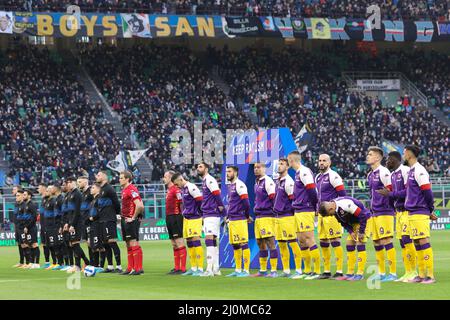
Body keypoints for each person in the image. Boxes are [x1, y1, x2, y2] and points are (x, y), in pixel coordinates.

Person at [375, 151, 417, 282]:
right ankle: (408, 271)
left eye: (388, 159)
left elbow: (408, 191)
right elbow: (394, 194)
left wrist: (390, 194)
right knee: (402, 242)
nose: (386, 162)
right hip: (398, 212)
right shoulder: (393, 175)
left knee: (407, 240)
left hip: (407, 211)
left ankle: (414, 271)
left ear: (394, 159)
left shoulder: (405, 170)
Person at [403, 145, 436, 284]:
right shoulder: (411, 171)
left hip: (420, 211)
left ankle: (430, 275)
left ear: (410, 154)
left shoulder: (420, 170)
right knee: (416, 242)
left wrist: (430, 209)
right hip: (412, 212)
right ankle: (421, 275)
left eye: (404, 152)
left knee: (423, 241)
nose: (403, 154)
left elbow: (427, 191)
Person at [318, 196, 370, 281]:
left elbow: (362, 215)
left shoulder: (345, 205)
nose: (331, 215)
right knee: (349, 244)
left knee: (360, 243)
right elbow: (343, 223)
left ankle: (360, 274)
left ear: (330, 208)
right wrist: (351, 232)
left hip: (365, 220)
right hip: (354, 223)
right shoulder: (334, 209)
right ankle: (350, 273)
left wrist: (361, 231)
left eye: (329, 214)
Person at [288, 151, 320, 280]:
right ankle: (306, 270)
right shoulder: (297, 173)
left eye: (288, 159)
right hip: (299, 210)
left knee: (308, 238)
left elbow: (312, 190)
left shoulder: (304, 171)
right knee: (301, 240)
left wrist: (315, 206)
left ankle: (317, 271)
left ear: (291, 160)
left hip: (306, 209)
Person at [366, 146, 397, 282]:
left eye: (370, 154)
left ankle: (393, 273)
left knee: (386, 240)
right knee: (377, 242)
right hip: (375, 212)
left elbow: (391, 191)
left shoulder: (384, 172)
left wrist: (390, 208)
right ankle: (382, 272)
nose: (368, 156)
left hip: (385, 211)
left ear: (378, 157)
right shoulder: (370, 174)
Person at [315, 154, 346, 279]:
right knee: (323, 241)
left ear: (329, 162)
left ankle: (339, 271)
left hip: (332, 214)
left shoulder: (334, 176)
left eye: (324, 161)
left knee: (335, 241)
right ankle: (326, 271)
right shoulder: (318, 177)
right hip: (321, 215)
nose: (321, 163)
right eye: (320, 161)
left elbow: (342, 194)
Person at [273, 158, 303, 278]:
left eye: (282, 164)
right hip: (278, 217)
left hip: (287, 217)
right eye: (279, 164)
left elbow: (293, 200)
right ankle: (286, 270)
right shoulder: (278, 181)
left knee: (293, 243)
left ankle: (299, 270)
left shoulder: (289, 182)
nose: (279, 166)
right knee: (281, 244)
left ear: (287, 167)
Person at [171, 172, 204, 276]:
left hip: (195, 218)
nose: (176, 186)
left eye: (177, 184)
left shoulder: (191, 187)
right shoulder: (183, 189)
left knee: (196, 241)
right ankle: (194, 268)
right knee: (189, 242)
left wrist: (201, 214)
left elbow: (200, 201)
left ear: (181, 179)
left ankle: (200, 268)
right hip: (187, 218)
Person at [251, 162, 278, 278]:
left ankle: (274, 270)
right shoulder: (257, 183)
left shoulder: (268, 181)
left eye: (259, 167)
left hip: (267, 215)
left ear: (264, 169)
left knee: (270, 241)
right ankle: (262, 270)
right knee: (260, 242)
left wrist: (272, 212)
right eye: (255, 168)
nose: (256, 169)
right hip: (259, 216)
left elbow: (274, 198)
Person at [197, 162, 224, 277]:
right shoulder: (205, 181)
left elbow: (217, 194)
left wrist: (221, 208)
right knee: (212, 240)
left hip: (212, 213)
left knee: (209, 240)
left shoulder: (209, 179)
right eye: (197, 167)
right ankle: (216, 268)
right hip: (209, 213)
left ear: (206, 169)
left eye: (200, 167)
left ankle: (209, 269)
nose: (198, 168)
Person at [224, 166, 252, 278]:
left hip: (240, 219)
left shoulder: (240, 185)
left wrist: (246, 216)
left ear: (235, 173)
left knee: (243, 243)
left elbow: (246, 203)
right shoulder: (230, 186)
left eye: (229, 172)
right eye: (226, 172)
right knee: (235, 245)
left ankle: (246, 270)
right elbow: (231, 204)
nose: (227, 174)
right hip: (232, 219)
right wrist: (228, 216)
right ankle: (238, 269)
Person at [95, 171, 122, 273]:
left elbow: (116, 202)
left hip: (109, 219)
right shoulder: (102, 189)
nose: (97, 176)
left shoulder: (109, 188)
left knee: (112, 242)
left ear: (105, 177)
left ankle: (119, 266)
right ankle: (110, 266)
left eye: (99, 175)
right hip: (102, 219)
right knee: (105, 243)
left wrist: (117, 214)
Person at [119, 170, 145, 275]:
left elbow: (140, 205)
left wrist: (133, 217)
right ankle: (130, 268)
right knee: (128, 244)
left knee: (133, 242)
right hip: (124, 218)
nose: (119, 179)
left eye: (121, 178)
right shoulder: (124, 190)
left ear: (127, 179)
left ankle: (138, 268)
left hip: (130, 220)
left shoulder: (131, 189)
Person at [64, 177, 90, 273]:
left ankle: (78, 265)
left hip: (77, 222)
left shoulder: (77, 194)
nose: (68, 184)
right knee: (72, 243)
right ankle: (86, 262)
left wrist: (73, 224)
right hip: (71, 222)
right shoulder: (70, 194)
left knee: (75, 243)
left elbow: (77, 211)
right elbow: (69, 211)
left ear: (73, 183)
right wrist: (67, 223)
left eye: (69, 182)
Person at [163, 170, 186, 275]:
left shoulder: (176, 190)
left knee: (179, 241)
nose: (164, 179)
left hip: (176, 217)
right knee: (173, 243)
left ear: (171, 178)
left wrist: (182, 215)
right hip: (169, 217)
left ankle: (183, 268)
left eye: (165, 177)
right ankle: (177, 267)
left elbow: (182, 203)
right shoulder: (169, 190)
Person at [77, 176, 94, 266]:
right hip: (83, 222)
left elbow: (95, 204)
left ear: (85, 182)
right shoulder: (82, 194)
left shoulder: (91, 192)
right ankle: (91, 263)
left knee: (91, 242)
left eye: (80, 182)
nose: (78, 184)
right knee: (88, 243)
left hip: (90, 221)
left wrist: (91, 216)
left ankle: (95, 263)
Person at [21, 189, 40, 269]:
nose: (23, 196)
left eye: (25, 194)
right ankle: (32, 262)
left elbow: (34, 217)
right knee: (30, 245)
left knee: (34, 244)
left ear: (29, 196)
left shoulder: (31, 204)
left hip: (32, 228)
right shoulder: (26, 205)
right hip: (28, 228)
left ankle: (37, 263)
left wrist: (27, 226)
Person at [11, 186, 25, 268]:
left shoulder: (24, 204)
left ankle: (29, 262)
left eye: (14, 189)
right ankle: (21, 261)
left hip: (22, 227)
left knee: (25, 244)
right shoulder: (16, 203)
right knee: (19, 244)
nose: (13, 191)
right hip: (17, 226)